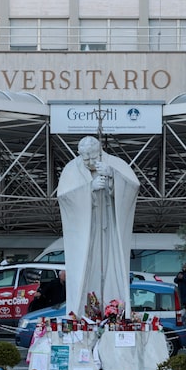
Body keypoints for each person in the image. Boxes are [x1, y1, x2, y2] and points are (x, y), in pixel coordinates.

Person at [57, 136, 140, 319]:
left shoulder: (116, 164)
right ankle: (83, 314)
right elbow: (64, 197)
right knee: (86, 266)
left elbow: (133, 187)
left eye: (92, 157)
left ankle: (114, 311)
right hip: (87, 229)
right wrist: (89, 188)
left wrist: (112, 176)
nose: (89, 162)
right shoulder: (71, 169)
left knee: (113, 264)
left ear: (100, 152)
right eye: (84, 158)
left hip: (110, 228)